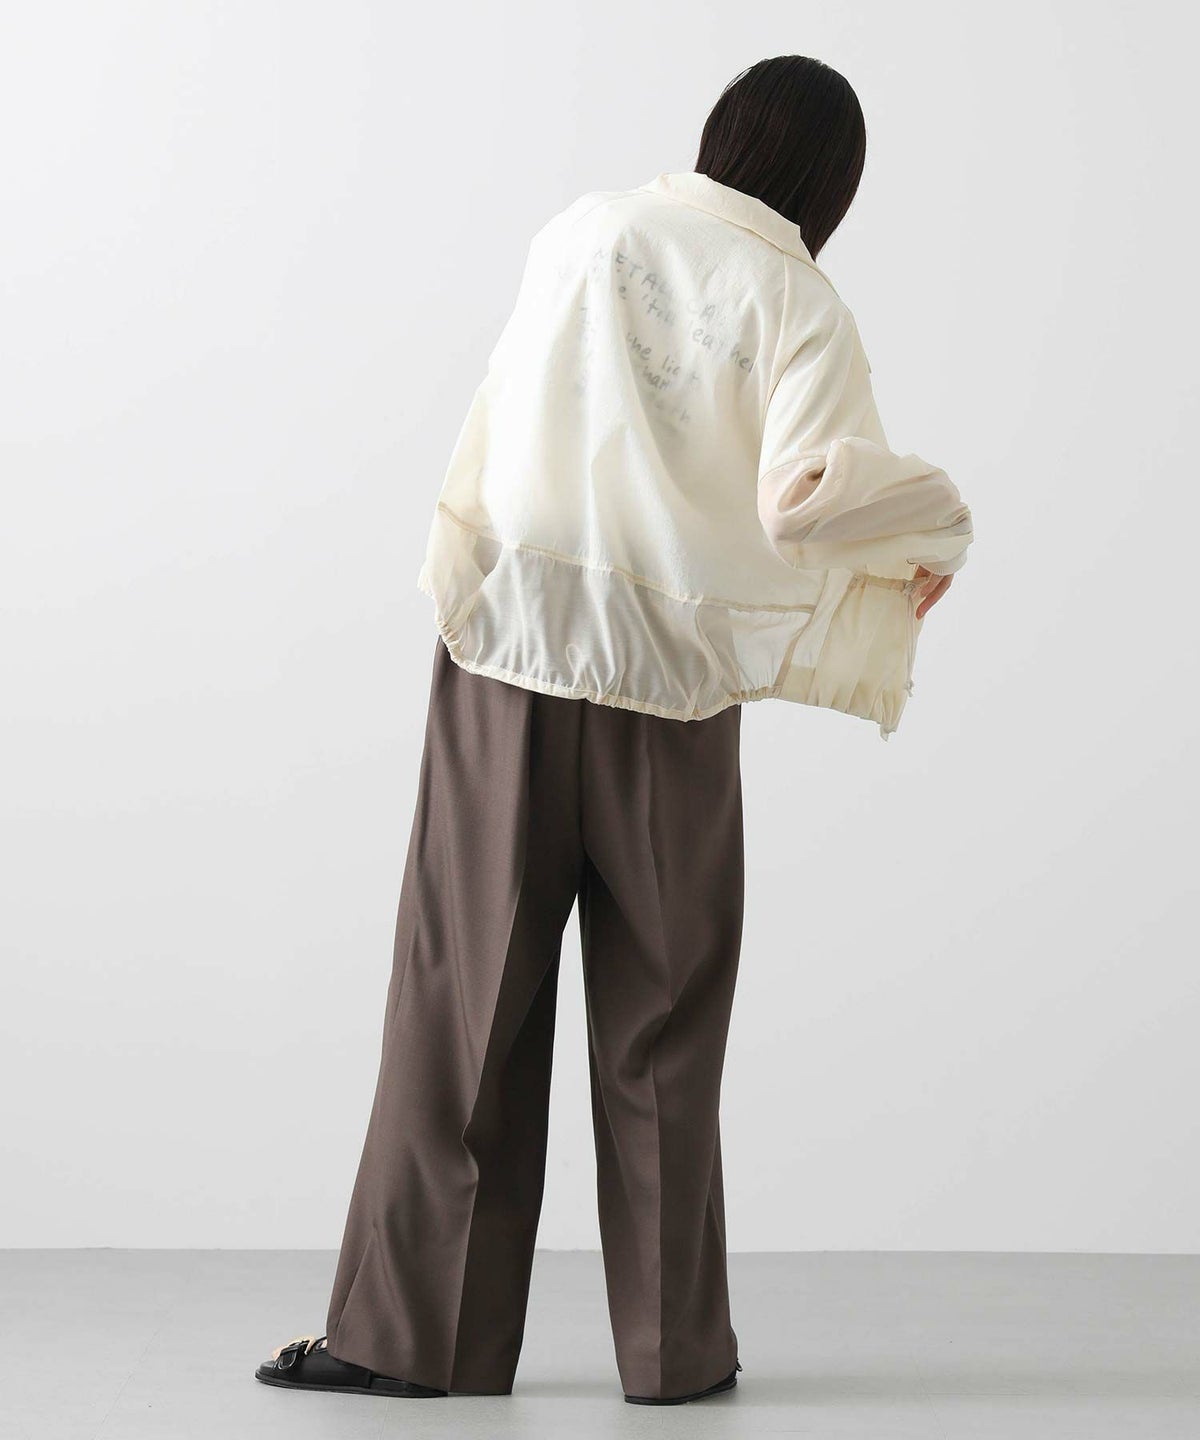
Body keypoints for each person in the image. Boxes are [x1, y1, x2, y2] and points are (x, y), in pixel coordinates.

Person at [254, 53, 973, 1407]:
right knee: (664, 1027)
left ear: (721, 130)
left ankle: (413, 1341)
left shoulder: (586, 231)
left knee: (462, 1001)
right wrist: (941, 523)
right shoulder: (802, 302)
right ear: (831, 184)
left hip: (510, 652)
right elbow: (808, 498)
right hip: (673, 692)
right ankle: (674, 1355)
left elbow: (506, 421)